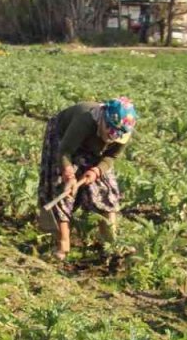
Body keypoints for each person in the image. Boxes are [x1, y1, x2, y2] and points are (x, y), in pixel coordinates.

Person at [37, 97, 137, 260]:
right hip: (64, 140)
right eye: (109, 131)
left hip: (94, 148)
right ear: (103, 119)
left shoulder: (124, 129)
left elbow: (111, 156)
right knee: (61, 187)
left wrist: (96, 171)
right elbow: (65, 151)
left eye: (116, 135)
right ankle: (62, 245)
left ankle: (112, 244)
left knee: (106, 190)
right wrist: (69, 175)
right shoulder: (85, 120)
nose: (113, 137)